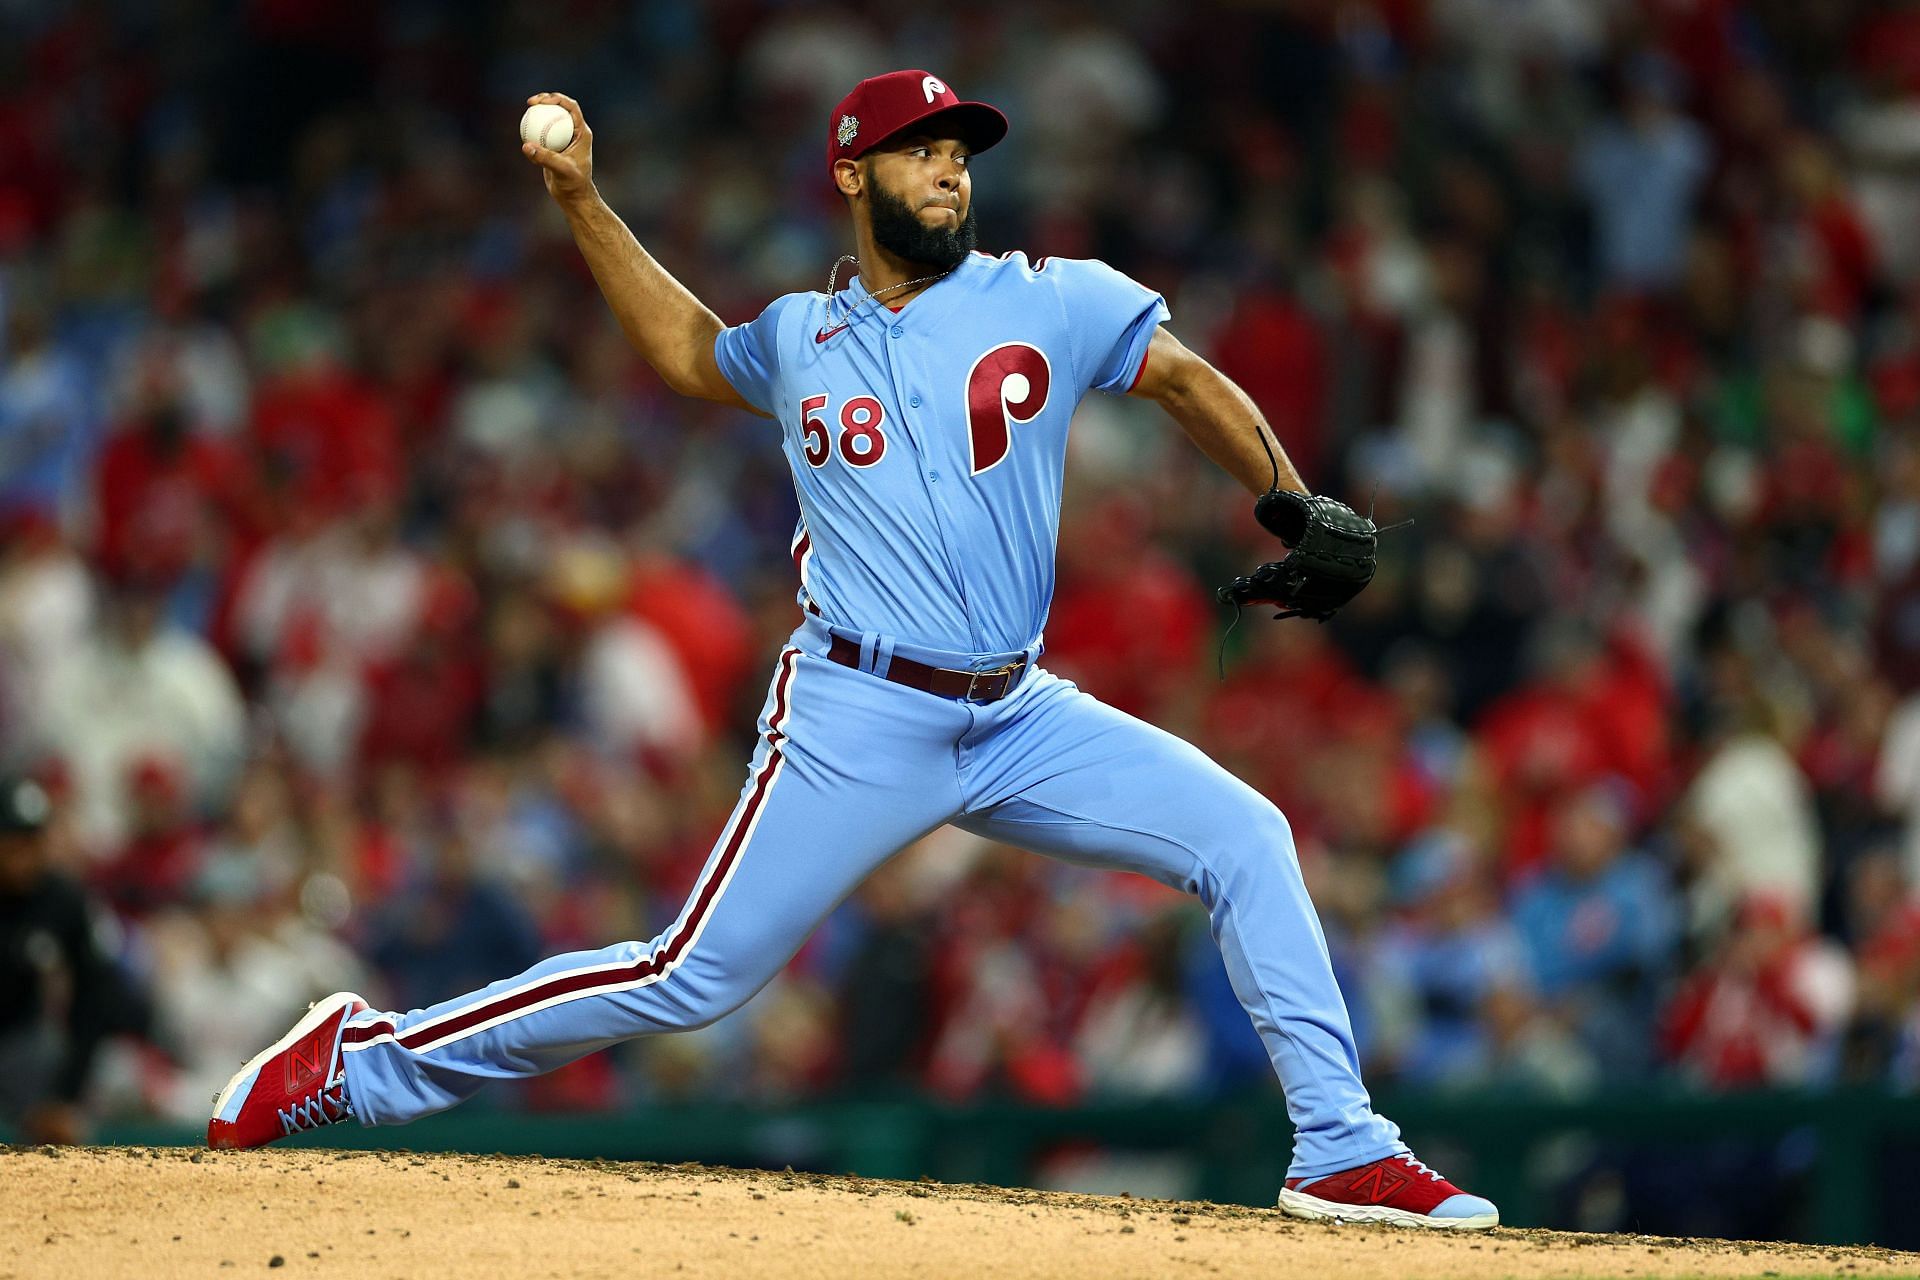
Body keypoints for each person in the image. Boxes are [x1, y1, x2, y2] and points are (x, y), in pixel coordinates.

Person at [208, 70, 1498, 1231]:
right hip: (855, 711)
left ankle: (1340, 1144)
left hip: (1018, 710)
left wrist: (1287, 496)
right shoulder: (796, 335)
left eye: (961, 151)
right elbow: (682, 349)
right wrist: (584, 201)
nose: (951, 168)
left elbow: (1180, 377)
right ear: (851, 173)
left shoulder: (1044, 298)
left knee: (1247, 834)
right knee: (686, 976)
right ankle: (355, 1063)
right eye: (921, 148)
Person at [0, 776, 128, 1144]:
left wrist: (65, 1096)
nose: (26, 854)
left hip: (23, 1048)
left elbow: (95, 994)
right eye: (14, 841)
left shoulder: (61, 898)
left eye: (34, 840)